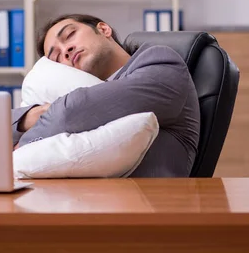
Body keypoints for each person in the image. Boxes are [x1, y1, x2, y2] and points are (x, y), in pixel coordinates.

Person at [11, 14, 200, 177]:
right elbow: (3, 122)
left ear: (103, 29)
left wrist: (25, 145)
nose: (66, 51)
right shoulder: (75, 88)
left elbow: (74, 111)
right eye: (57, 57)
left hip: (150, 207)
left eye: (70, 35)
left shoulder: (161, 63)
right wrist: (31, 116)